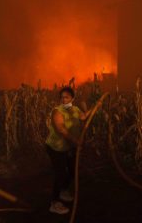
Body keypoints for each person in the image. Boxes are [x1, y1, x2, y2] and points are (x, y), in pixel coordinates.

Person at [45, 86, 90, 214]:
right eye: (62, 97)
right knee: (60, 174)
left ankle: (63, 191)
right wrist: (76, 141)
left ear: (72, 98)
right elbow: (61, 129)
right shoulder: (57, 111)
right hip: (56, 148)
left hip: (68, 147)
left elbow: (83, 117)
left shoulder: (75, 109)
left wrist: (91, 108)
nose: (63, 100)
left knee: (72, 171)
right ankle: (54, 203)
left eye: (66, 97)